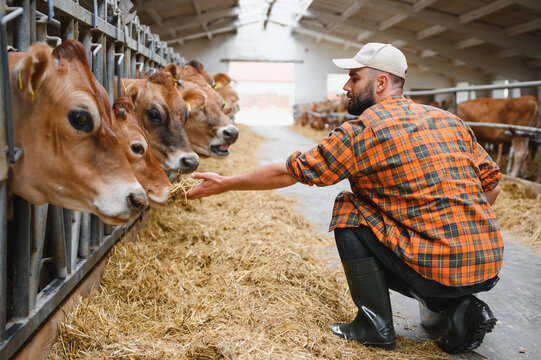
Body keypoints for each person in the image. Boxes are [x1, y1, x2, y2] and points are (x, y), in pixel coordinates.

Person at [185, 42, 503, 354]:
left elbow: (292, 171)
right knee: (411, 236)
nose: (346, 85)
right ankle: (460, 305)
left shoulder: (361, 132)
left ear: (380, 83)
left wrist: (226, 183)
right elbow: (493, 185)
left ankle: (374, 326)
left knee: (349, 208)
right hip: (487, 263)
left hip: (437, 265)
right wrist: (456, 226)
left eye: (354, 77)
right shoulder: (449, 121)